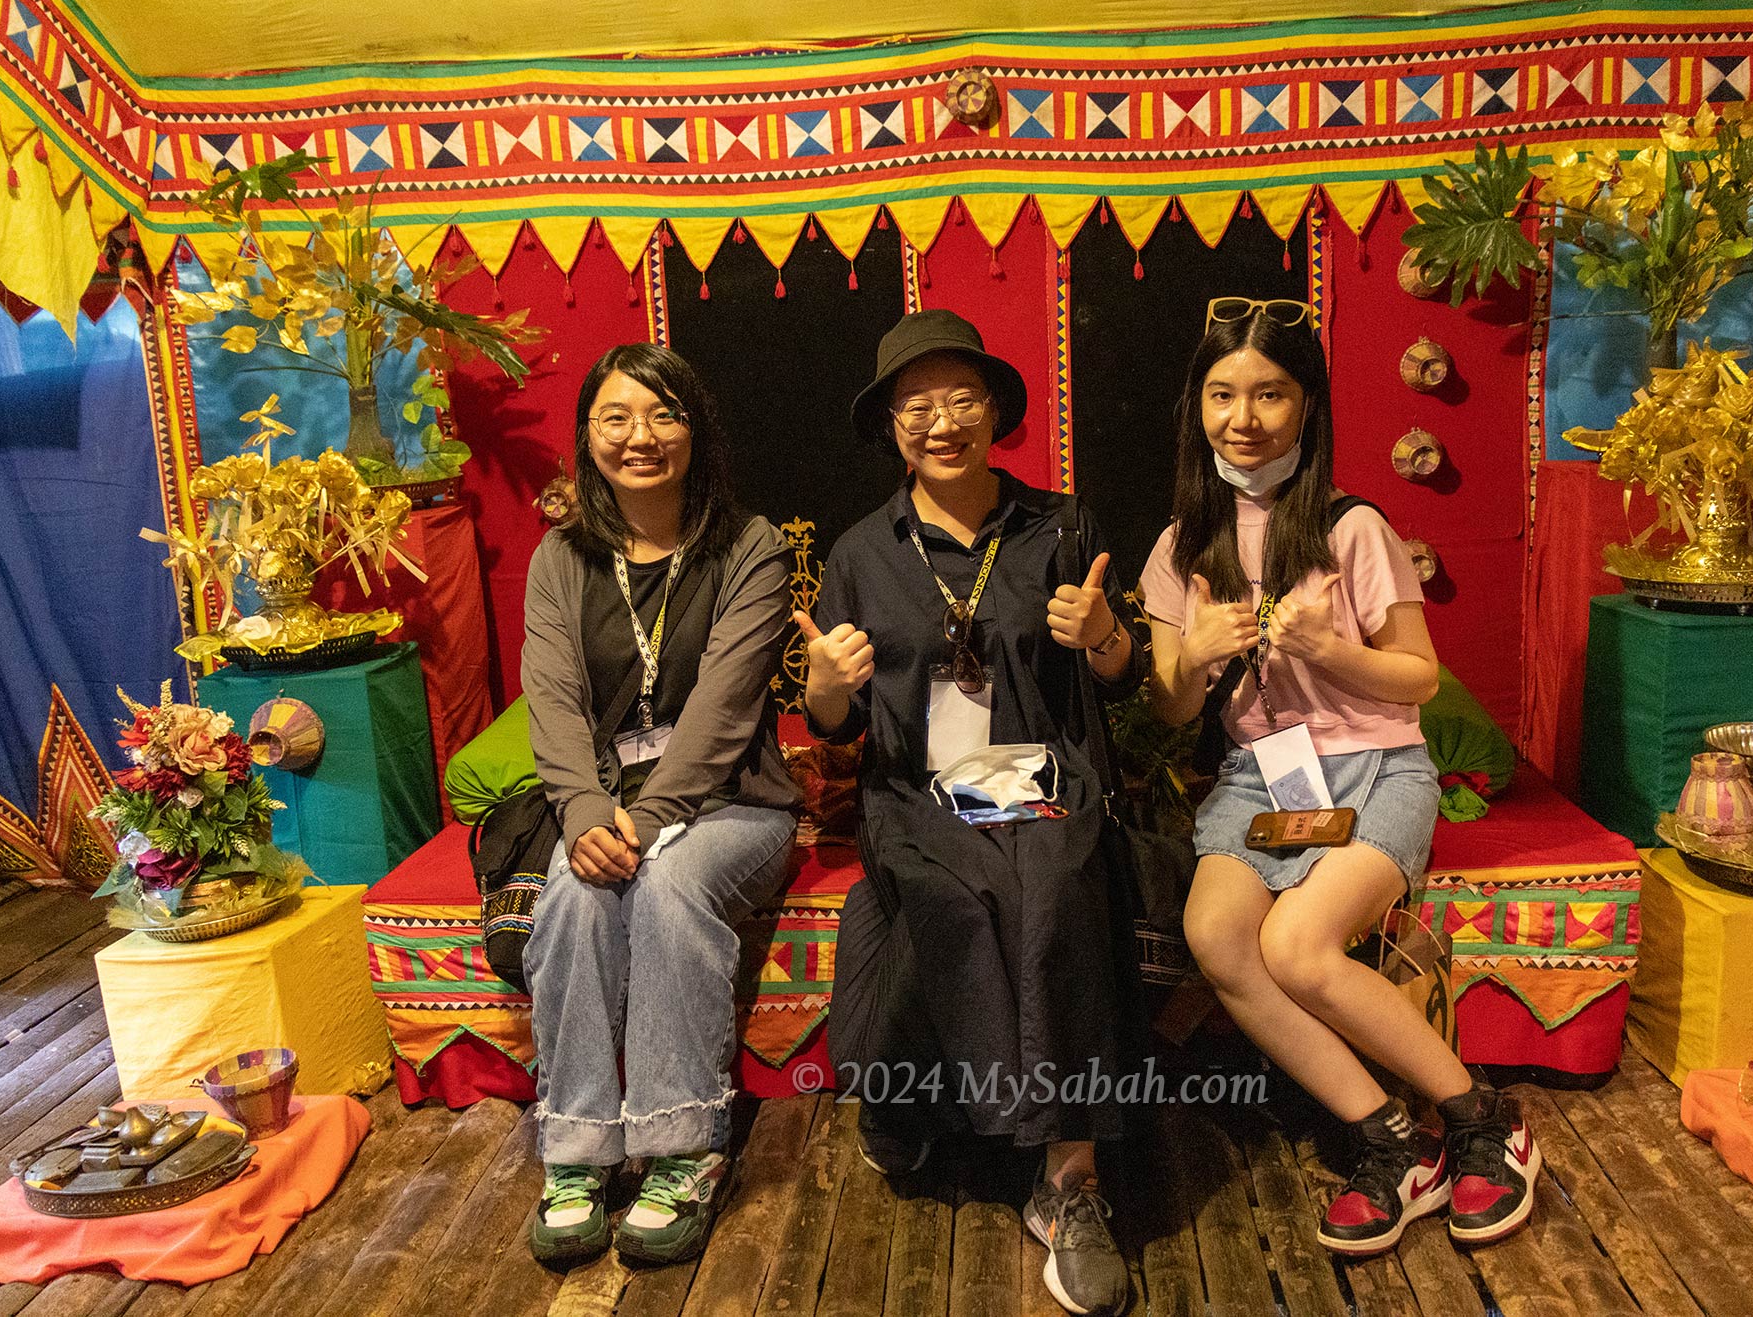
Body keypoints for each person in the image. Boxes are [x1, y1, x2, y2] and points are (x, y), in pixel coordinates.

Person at [1140, 298, 1539, 1257]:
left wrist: (1332, 649)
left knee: (1300, 944)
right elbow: (1167, 709)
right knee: (1216, 935)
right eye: (1224, 393)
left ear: (1306, 405)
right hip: (1255, 783)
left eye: (1270, 394)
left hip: (1376, 769)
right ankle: (1386, 1137)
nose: (1245, 416)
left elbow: (1418, 676)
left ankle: (1483, 1119)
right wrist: (1191, 654)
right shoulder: (1178, 544)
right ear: (1198, 405)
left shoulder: (1353, 525)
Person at [795, 310, 1147, 1317]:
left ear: (996, 409)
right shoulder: (861, 553)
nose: (939, 420)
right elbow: (838, 728)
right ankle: (942, 1109)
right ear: (890, 426)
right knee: (953, 888)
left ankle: (1069, 1178)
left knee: (1058, 878)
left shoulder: (1060, 527)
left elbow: (1119, 684)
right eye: (915, 404)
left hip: (1040, 774)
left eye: (960, 397)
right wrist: (823, 687)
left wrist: (1106, 637)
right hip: (917, 788)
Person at [521, 343, 801, 1267]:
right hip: (603, 805)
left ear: (697, 430)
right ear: (588, 435)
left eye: (663, 414)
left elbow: (726, 709)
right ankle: (576, 1151)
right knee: (570, 887)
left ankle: (682, 1148)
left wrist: (640, 823)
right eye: (616, 417)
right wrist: (582, 812)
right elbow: (553, 703)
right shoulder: (559, 560)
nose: (640, 436)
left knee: (672, 882)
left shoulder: (751, 546)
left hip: (733, 805)